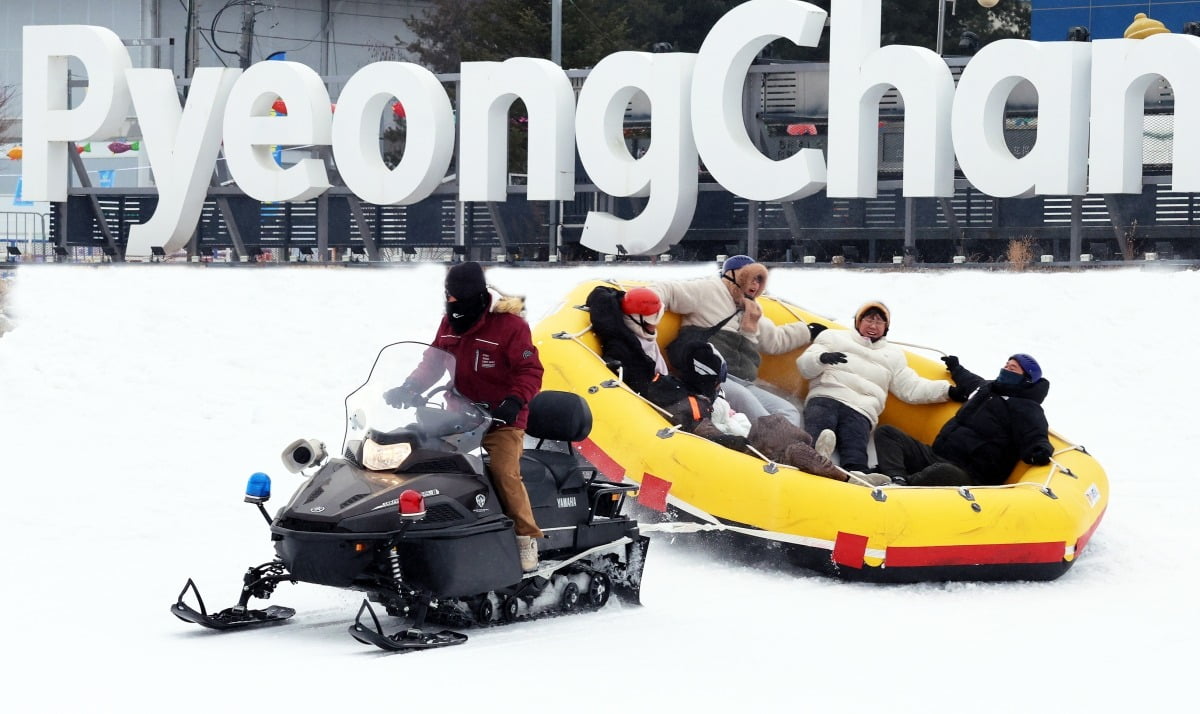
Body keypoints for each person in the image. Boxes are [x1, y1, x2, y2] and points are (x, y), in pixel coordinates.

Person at [387, 261, 545, 571]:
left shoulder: (511, 326)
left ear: (478, 296)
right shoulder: (448, 324)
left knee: (504, 473)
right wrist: (409, 388)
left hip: (502, 419)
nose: (452, 304)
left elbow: (530, 370)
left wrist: (514, 401)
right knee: (425, 463)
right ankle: (426, 530)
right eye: (449, 297)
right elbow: (432, 362)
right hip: (459, 415)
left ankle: (526, 539)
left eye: (458, 298)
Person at [796, 301, 965, 474]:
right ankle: (815, 455)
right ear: (858, 321)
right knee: (819, 426)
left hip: (861, 409)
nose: (873, 326)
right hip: (827, 395)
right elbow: (804, 366)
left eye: (879, 322)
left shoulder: (893, 356)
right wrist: (821, 358)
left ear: (886, 328)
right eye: (868, 320)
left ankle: (856, 475)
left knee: (855, 450)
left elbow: (911, 387)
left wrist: (947, 391)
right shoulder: (833, 337)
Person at [652, 255, 816, 426]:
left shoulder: (753, 312)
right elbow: (668, 291)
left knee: (788, 410)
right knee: (761, 416)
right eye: (751, 278)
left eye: (759, 280)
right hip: (714, 379)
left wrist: (808, 331)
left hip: (745, 382)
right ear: (734, 275)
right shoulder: (709, 290)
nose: (755, 285)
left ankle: (791, 445)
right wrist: (643, 302)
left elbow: (776, 341)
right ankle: (780, 447)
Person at [873, 353, 1053, 487]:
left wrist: (1040, 450)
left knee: (943, 472)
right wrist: (956, 368)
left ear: (1026, 380)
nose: (1005, 369)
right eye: (1006, 365)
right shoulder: (986, 389)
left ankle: (901, 487)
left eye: (1012, 369)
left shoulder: (1027, 408)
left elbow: (1036, 435)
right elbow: (969, 380)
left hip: (969, 475)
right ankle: (894, 478)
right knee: (888, 433)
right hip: (936, 456)